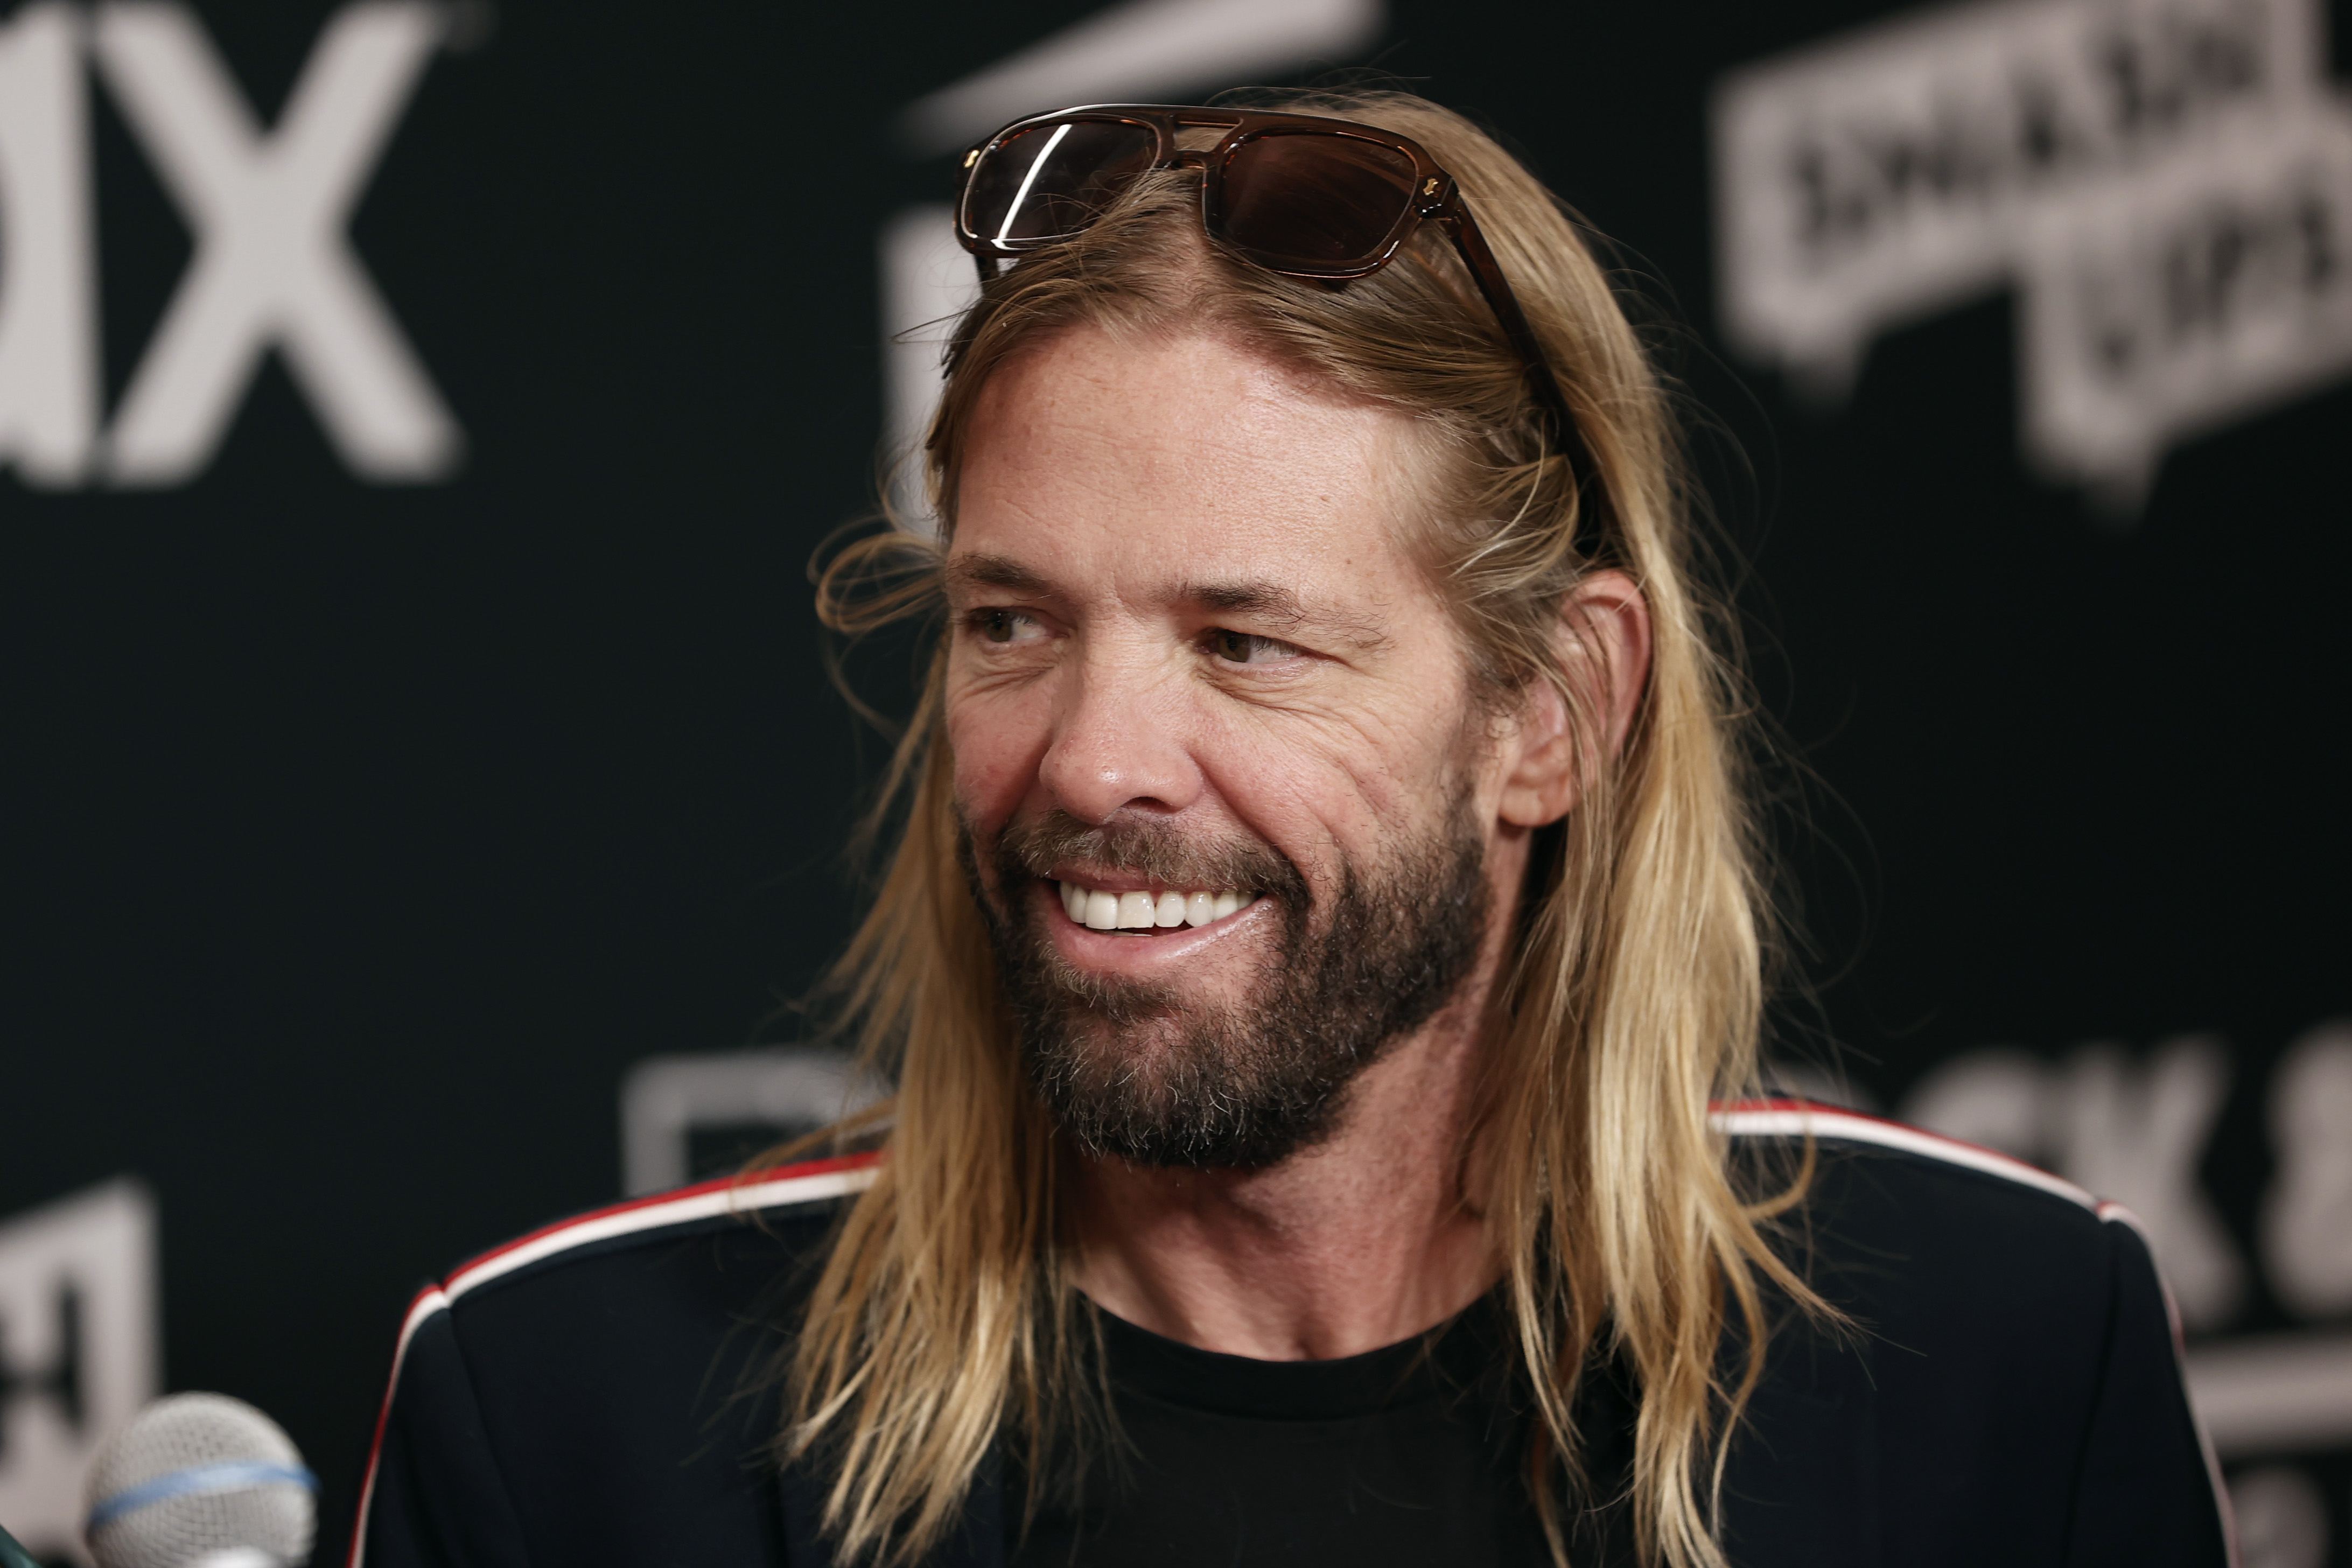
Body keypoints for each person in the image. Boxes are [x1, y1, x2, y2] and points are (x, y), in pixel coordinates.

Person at [351, 93, 2231, 1568]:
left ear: (1552, 713)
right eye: (1014, 623)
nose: (1094, 761)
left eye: (1244, 644)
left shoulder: (2006, 1351)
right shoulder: (565, 1419)